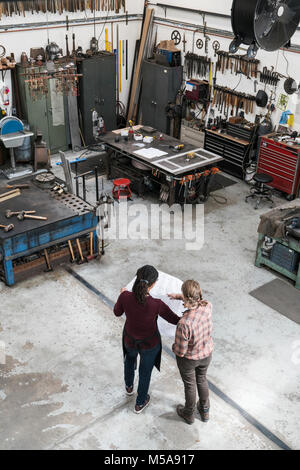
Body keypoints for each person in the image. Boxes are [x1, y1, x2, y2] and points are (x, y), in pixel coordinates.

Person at [114, 265, 180, 414]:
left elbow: (117, 312)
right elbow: (175, 320)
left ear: (137, 279)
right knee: (145, 372)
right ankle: (140, 402)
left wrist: (121, 295)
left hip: (129, 338)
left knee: (129, 360)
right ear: (154, 284)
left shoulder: (125, 296)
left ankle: (129, 387)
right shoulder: (156, 304)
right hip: (149, 343)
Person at [169, 280, 213, 425]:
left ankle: (188, 414)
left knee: (190, 385)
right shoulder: (207, 307)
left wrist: (173, 347)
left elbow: (181, 352)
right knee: (202, 379)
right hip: (206, 354)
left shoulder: (184, 323)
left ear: (186, 296)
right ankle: (205, 410)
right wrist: (180, 297)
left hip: (189, 359)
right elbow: (198, 301)